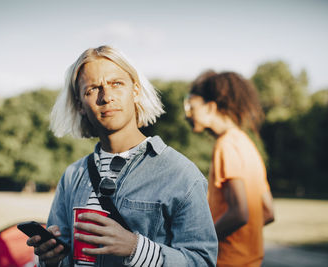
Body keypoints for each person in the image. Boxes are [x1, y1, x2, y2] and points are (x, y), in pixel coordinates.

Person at [27, 45, 218, 267]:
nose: (106, 96)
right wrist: (51, 260)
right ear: (80, 105)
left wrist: (135, 247)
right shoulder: (72, 176)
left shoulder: (181, 174)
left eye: (116, 84)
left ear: (135, 90)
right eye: (92, 89)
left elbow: (202, 262)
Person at [184, 71, 275, 267]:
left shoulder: (225, 145)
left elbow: (239, 213)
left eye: (191, 106)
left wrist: (201, 243)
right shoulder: (247, 144)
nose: (187, 115)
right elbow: (268, 212)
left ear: (210, 107)